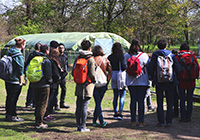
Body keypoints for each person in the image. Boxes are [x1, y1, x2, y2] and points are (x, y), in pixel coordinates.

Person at [148, 39, 180, 127]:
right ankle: (169, 121)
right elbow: (177, 68)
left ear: (158, 46)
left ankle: (161, 121)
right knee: (170, 102)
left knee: (160, 102)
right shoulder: (171, 55)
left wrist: (152, 77)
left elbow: (151, 67)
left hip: (159, 82)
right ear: (166, 46)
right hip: (170, 81)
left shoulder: (155, 54)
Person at [124, 38, 149, 127]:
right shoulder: (144, 55)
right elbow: (148, 66)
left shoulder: (127, 55)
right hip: (142, 81)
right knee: (141, 101)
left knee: (133, 101)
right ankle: (141, 121)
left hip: (131, 82)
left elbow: (124, 66)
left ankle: (133, 121)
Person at [72, 40, 96, 132]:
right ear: (90, 48)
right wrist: (93, 81)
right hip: (87, 85)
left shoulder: (78, 57)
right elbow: (92, 74)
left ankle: (78, 125)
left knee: (79, 106)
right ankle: (83, 126)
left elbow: (73, 71)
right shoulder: (90, 59)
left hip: (79, 84)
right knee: (84, 106)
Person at [30, 44, 52, 129]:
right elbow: (48, 74)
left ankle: (37, 120)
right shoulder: (46, 60)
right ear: (47, 51)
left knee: (37, 103)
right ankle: (39, 123)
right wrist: (50, 81)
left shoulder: (35, 58)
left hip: (35, 83)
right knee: (43, 104)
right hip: (44, 85)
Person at [176, 43, 199, 122]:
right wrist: (195, 76)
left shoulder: (178, 57)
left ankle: (182, 116)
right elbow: (198, 67)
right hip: (191, 81)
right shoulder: (193, 57)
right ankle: (188, 116)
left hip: (181, 81)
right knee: (190, 99)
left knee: (182, 99)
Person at [5, 38, 27, 122]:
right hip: (15, 80)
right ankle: (12, 115)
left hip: (8, 78)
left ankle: (8, 114)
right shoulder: (19, 55)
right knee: (14, 98)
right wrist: (21, 81)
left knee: (9, 97)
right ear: (21, 45)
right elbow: (20, 68)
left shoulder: (10, 51)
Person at [92, 45, 112, 127]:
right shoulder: (105, 60)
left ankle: (94, 120)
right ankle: (101, 120)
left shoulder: (92, 60)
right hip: (103, 83)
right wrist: (107, 81)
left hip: (94, 83)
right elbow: (110, 71)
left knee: (97, 102)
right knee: (98, 102)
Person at [44, 40, 63, 121]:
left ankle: (47, 113)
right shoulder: (54, 61)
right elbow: (55, 72)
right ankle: (46, 114)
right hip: (53, 82)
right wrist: (59, 77)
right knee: (50, 99)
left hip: (50, 81)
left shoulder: (48, 59)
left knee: (49, 99)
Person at [108, 42, 126, 120]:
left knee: (115, 95)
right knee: (122, 95)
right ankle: (120, 112)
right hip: (121, 76)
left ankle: (115, 112)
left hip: (113, 75)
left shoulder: (110, 57)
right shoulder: (121, 56)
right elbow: (124, 67)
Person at [24, 43, 41, 108]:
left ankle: (28, 102)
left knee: (31, 88)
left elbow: (26, 63)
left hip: (31, 74)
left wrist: (26, 74)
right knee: (37, 89)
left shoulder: (31, 54)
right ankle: (34, 103)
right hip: (38, 74)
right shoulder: (40, 55)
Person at [54, 43, 70, 110]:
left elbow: (67, 65)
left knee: (64, 90)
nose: (61, 49)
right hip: (57, 76)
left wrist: (66, 72)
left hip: (63, 77)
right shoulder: (56, 57)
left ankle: (62, 103)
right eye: (60, 48)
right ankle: (55, 105)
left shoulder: (65, 57)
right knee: (56, 91)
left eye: (62, 48)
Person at [172, 48, 179, 118]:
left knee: (173, 96)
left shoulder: (171, 58)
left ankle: (174, 112)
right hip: (180, 79)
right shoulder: (178, 58)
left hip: (172, 80)